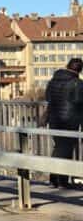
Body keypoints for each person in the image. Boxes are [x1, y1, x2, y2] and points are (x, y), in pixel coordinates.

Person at [41, 58, 82, 188]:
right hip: (70, 120)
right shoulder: (78, 83)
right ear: (79, 70)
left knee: (59, 148)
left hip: (54, 119)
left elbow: (48, 98)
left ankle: (55, 180)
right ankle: (61, 181)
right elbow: (79, 103)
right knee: (65, 150)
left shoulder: (53, 81)